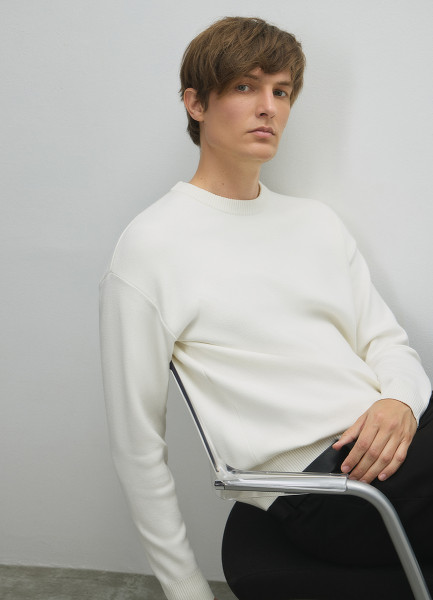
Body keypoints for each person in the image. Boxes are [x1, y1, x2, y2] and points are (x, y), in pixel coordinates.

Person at [99, 16, 432, 600]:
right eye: (245, 87)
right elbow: (137, 444)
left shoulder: (316, 222)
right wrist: (186, 587)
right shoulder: (152, 246)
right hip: (331, 487)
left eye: (281, 91)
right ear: (196, 103)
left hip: (403, 443)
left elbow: (387, 343)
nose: (268, 108)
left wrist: (400, 400)